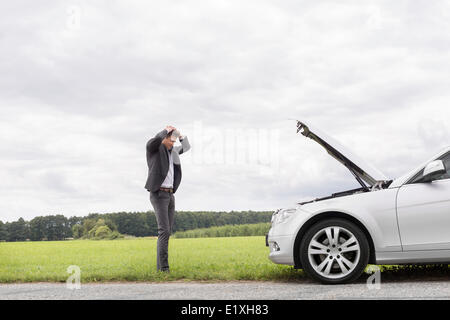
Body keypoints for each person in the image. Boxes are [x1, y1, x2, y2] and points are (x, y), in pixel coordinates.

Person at [145, 125, 191, 272]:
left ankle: (161, 269)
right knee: (164, 231)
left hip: (170, 195)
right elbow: (153, 141)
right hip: (159, 194)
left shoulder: (174, 152)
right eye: (170, 140)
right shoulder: (155, 150)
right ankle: (164, 269)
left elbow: (187, 147)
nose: (173, 143)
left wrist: (180, 135)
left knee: (167, 231)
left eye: (174, 141)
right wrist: (165, 130)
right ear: (163, 138)